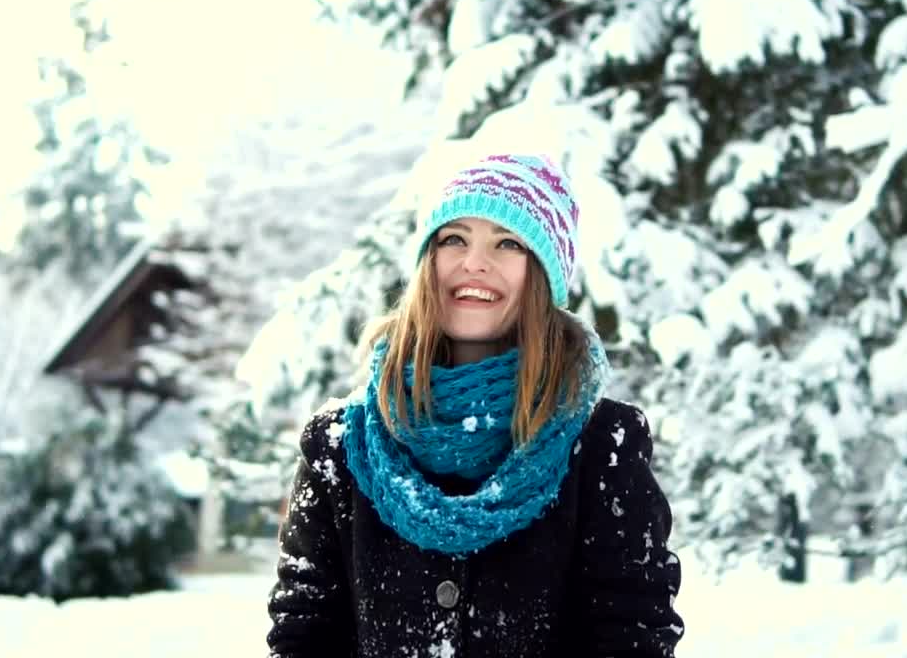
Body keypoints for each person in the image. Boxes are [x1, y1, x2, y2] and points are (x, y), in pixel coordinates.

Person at [267, 153, 684, 657]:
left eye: (508, 243)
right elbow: (303, 635)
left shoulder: (601, 442)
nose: (474, 263)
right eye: (454, 239)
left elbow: (632, 637)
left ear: (543, 275)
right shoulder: (339, 445)